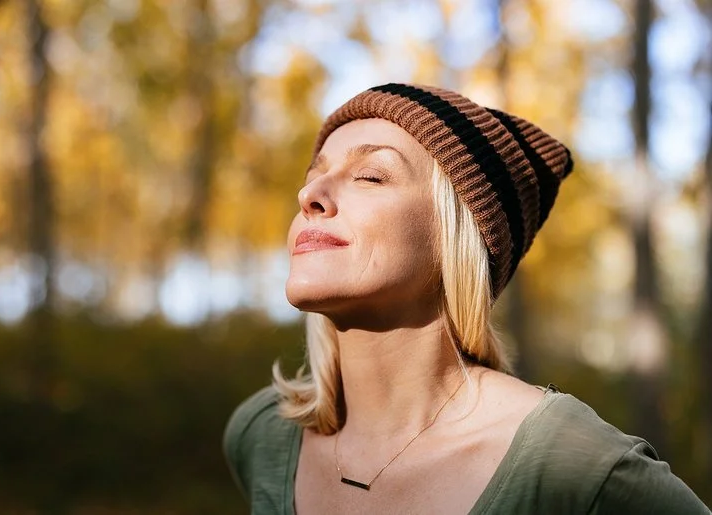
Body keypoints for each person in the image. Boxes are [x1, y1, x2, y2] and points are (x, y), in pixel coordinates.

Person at [222, 83, 710, 514]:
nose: (311, 194)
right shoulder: (264, 434)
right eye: (314, 174)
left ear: (456, 236)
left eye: (370, 176)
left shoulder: (575, 466)